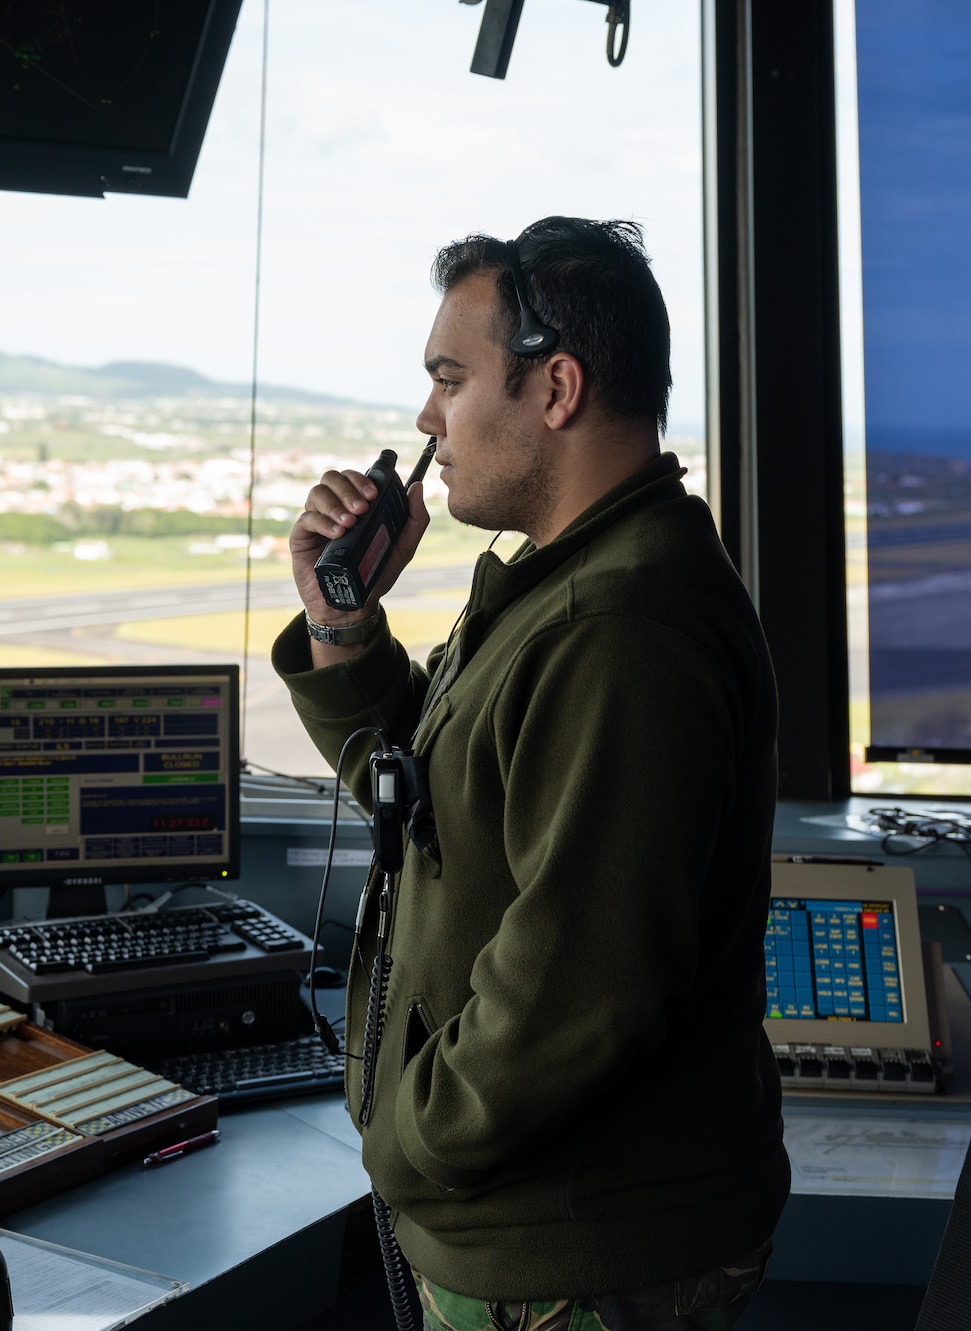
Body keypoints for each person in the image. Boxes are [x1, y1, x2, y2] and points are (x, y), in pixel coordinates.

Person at [274, 218, 788, 1331]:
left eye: (449, 379)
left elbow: (575, 993)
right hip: (530, 1217)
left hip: (570, 1244)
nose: (425, 420)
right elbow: (431, 806)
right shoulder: (570, 580)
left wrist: (402, 1139)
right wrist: (342, 628)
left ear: (554, 387)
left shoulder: (621, 622)